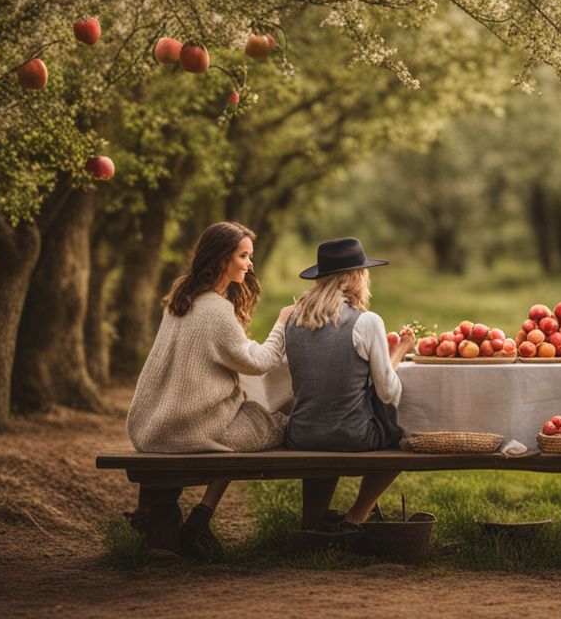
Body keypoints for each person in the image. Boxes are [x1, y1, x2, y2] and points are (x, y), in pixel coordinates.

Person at [126, 221, 294, 559]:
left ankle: (171, 519)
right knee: (279, 423)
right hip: (192, 430)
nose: (249, 264)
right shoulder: (216, 310)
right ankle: (200, 520)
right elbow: (258, 362)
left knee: (247, 412)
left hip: (153, 428)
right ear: (221, 259)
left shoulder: (181, 299)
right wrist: (282, 322)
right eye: (243, 256)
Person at [283, 237, 414, 528]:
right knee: (403, 439)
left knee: (325, 420)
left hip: (301, 435)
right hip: (353, 437)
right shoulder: (366, 321)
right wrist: (400, 352)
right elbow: (388, 391)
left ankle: (311, 522)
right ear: (355, 277)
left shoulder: (292, 320)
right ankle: (356, 516)